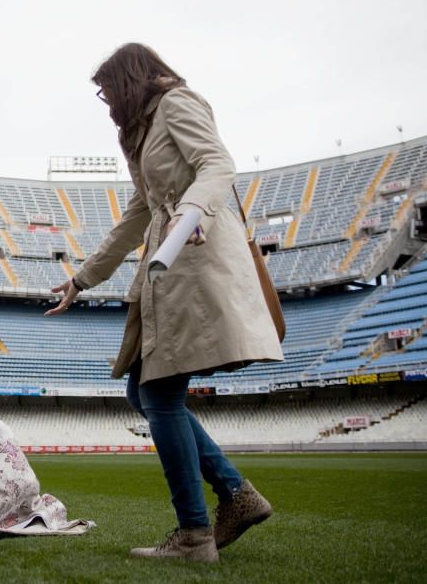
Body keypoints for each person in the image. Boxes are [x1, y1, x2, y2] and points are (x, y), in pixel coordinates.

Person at [46, 44, 283, 563]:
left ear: (130, 79)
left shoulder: (177, 103)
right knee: (145, 391)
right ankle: (235, 495)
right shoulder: (138, 133)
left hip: (193, 259)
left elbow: (216, 163)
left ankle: (197, 533)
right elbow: (138, 211)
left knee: (156, 394)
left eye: (107, 90)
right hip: (165, 264)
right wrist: (82, 279)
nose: (105, 102)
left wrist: (191, 213)